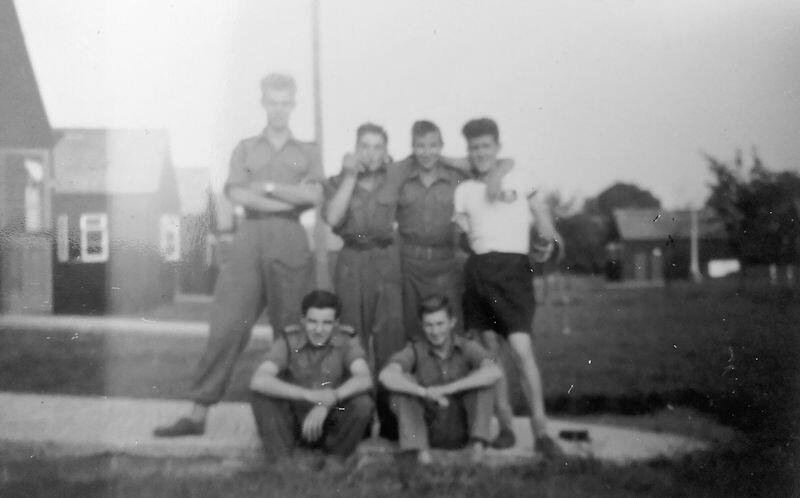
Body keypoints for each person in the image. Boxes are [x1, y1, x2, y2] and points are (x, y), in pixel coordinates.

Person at [155, 73, 323, 437]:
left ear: (294, 104)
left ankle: (295, 417)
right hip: (250, 235)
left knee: (292, 329)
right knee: (227, 324)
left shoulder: (308, 151)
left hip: (291, 238)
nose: (279, 110)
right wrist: (286, 196)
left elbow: (313, 196)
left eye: (285, 103)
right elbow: (237, 194)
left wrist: (266, 186)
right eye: (273, 102)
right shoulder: (245, 148)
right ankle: (197, 413)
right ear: (263, 103)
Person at [453, 117, 563, 457]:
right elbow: (463, 233)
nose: (480, 153)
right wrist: (461, 232)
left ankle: (541, 431)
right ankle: (505, 427)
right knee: (491, 352)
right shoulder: (463, 190)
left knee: (520, 349)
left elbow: (542, 216)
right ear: (468, 152)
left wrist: (546, 240)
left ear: (498, 147)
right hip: (479, 271)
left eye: (486, 146)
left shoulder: (520, 177)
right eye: (474, 148)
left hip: (514, 271)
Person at [386, 121, 510, 341]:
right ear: (412, 147)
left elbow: (500, 163)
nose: (426, 152)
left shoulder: (456, 176)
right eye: (420, 146)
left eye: (433, 145)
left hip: (447, 264)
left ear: (442, 146)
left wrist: (499, 174)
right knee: (415, 330)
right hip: (410, 265)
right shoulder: (401, 175)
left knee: (453, 330)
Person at [323, 123, 406, 438]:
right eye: (365, 146)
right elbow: (333, 218)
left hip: (385, 260)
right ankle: (358, 417)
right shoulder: (337, 181)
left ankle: (389, 418)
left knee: (389, 341)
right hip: (351, 261)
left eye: (377, 147)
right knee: (353, 340)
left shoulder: (395, 177)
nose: (371, 154)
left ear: (386, 153)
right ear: (355, 150)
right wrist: (350, 176)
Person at [249, 290, 374, 462]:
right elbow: (259, 380)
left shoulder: (346, 339)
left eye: (326, 323)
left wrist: (330, 399)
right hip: (295, 419)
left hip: (331, 419)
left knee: (362, 403)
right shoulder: (289, 339)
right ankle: (283, 462)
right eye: (312, 321)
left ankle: (336, 461)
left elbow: (364, 378)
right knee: (262, 398)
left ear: (336, 324)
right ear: (303, 321)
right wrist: (310, 395)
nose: (318, 330)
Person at [378, 295, 501, 465]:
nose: (435, 331)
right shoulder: (415, 350)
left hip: (462, 425)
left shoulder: (466, 346)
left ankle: (476, 453)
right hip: (428, 429)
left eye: (440, 324)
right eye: (429, 325)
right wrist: (425, 392)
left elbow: (494, 371)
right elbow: (386, 376)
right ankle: (422, 457)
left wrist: (448, 388)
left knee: (482, 380)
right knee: (403, 383)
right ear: (422, 325)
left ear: (452, 322)